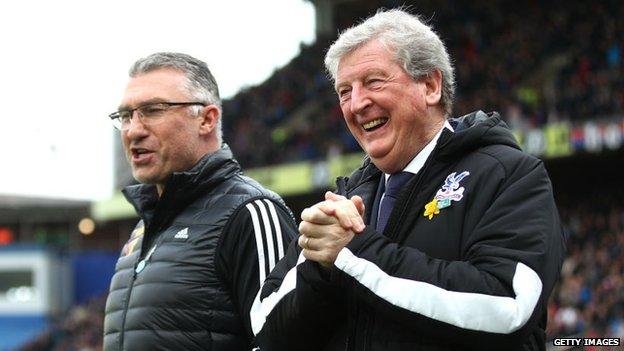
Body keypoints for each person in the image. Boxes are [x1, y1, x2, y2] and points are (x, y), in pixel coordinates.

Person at [252, 9, 565, 351]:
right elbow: (266, 330)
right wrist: (321, 269)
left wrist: (354, 254)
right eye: (344, 91)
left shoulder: (508, 175)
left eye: (373, 82)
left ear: (430, 85)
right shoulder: (343, 203)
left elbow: (508, 308)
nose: (356, 104)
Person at [102, 52, 297, 351]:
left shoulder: (251, 212)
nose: (134, 130)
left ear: (206, 119)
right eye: (126, 116)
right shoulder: (143, 227)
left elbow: (285, 341)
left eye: (152, 110)